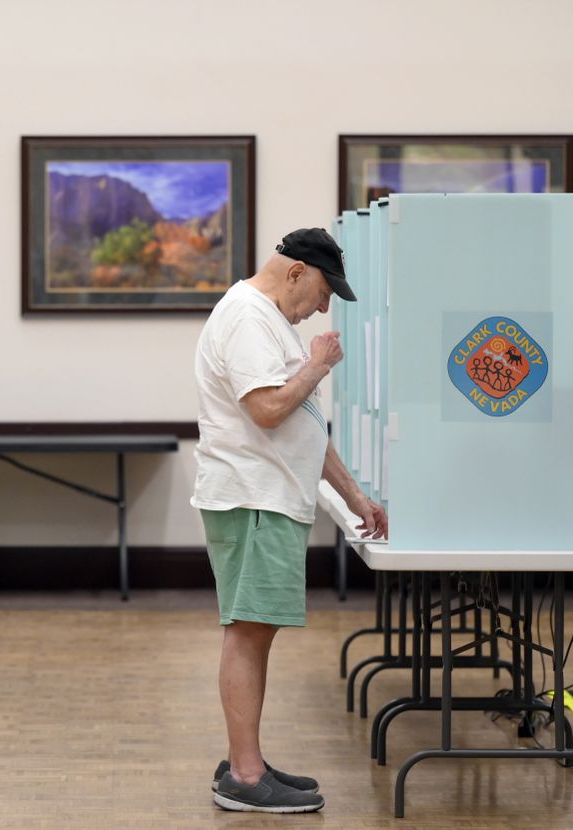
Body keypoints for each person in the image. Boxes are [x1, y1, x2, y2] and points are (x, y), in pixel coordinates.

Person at [192, 228, 388, 813]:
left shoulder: (270, 320)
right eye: (326, 291)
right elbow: (271, 409)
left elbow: (304, 423)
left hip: (268, 497)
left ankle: (246, 758)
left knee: (256, 630)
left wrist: (355, 496)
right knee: (249, 631)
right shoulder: (248, 317)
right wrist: (319, 365)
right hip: (254, 498)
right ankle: (246, 776)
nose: (325, 307)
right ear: (298, 271)